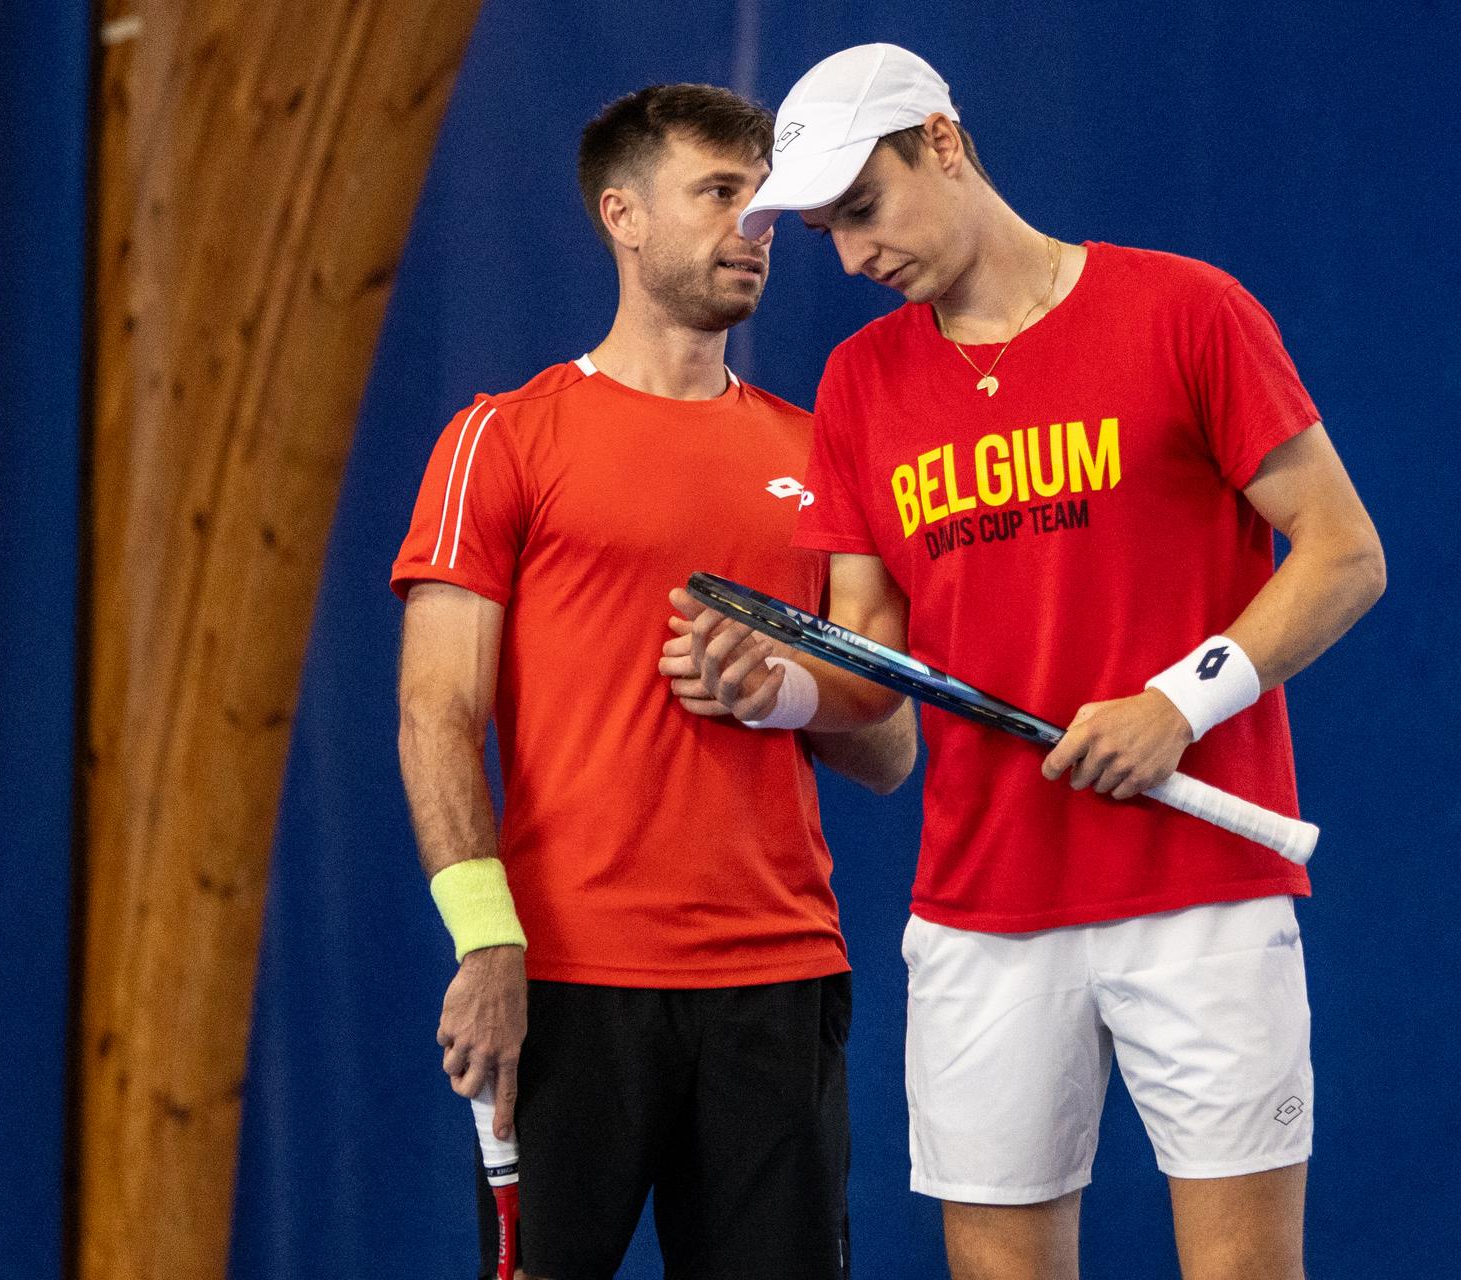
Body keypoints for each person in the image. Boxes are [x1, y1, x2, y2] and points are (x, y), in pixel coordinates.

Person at [679, 43, 1387, 1280]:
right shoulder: (860, 383)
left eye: (865, 208)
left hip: (1205, 892)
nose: (852, 257)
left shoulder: (1186, 311)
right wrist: (778, 686)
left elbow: (1342, 552)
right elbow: (870, 656)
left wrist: (1178, 702)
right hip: (983, 906)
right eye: (827, 230)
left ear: (943, 143)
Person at [391, 82, 915, 1280]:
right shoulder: (504, 437)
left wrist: (786, 684)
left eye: (769, 205)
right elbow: (436, 712)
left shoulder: (818, 452)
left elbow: (888, 748)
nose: (757, 230)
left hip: (779, 982)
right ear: (622, 216)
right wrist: (487, 946)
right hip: (567, 986)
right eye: (721, 195)